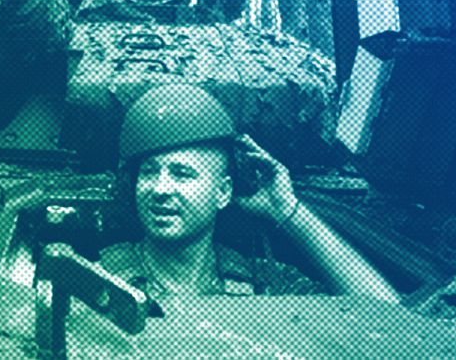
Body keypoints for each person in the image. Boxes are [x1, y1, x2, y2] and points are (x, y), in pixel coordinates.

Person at [101, 84, 399, 302]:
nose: (160, 188)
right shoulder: (97, 281)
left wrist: (290, 213)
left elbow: (389, 318)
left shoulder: (265, 283)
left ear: (222, 192)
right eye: (149, 171)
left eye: (182, 174)